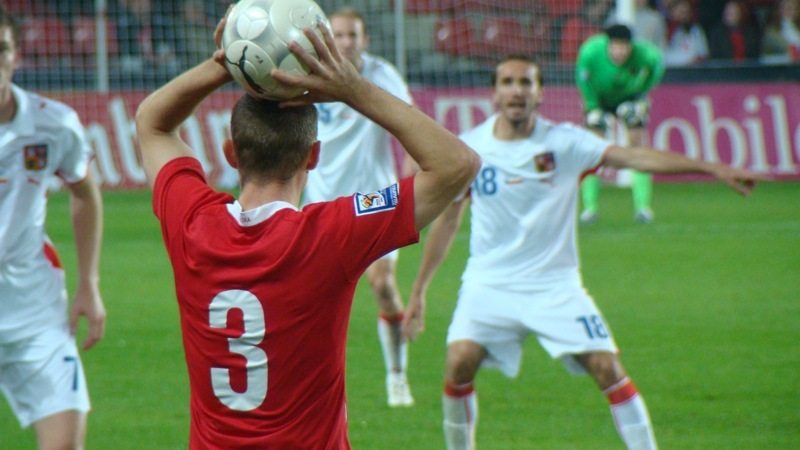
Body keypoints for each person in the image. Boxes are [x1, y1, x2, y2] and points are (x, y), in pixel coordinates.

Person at [134, 14, 480, 449]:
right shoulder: (331, 235)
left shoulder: (192, 224)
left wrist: (227, 62)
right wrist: (353, 90)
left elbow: (151, 121)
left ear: (230, 153)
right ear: (313, 157)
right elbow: (458, 163)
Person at [404, 55, 766, 450]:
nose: (516, 91)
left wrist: (710, 167)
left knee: (606, 367)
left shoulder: (566, 142)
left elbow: (634, 156)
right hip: (489, 283)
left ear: (540, 93)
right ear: (494, 93)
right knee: (458, 363)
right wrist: (419, 290)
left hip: (555, 285)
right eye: (507, 82)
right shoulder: (470, 149)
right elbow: (448, 222)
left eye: (526, 83)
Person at [0, 5, 106, 450]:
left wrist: (88, 284)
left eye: (1, 49)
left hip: (35, 310)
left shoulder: (53, 124)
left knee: (65, 444)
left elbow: (84, 193)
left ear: (16, 55)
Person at [301, 7, 417, 407]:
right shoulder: (310, 74)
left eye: (353, 35)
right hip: (321, 203)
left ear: (365, 40)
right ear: (327, 39)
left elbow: (411, 127)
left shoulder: (381, 75)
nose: (346, 42)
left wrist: (410, 186)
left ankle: (397, 376)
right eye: (339, 35)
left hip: (373, 202)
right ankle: (312, 385)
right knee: (311, 299)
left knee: (382, 285)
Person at [576, 24, 665, 223]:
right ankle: (590, 208)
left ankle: (643, 207)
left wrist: (642, 92)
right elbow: (582, 79)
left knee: (637, 146)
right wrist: (592, 105)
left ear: (631, 46)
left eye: (624, 47)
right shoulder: (590, 51)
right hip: (599, 100)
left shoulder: (647, 54)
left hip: (629, 98)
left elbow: (657, 68)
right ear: (608, 45)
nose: (620, 52)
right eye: (616, 47)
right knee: (592, 148)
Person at [664, 0, 709, 66]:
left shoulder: (695, 30)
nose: (683, 16)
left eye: (686, 12)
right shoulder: (666, 29)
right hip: (670, 68)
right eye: (680, 12)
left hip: (691, 69)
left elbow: (703, 55)